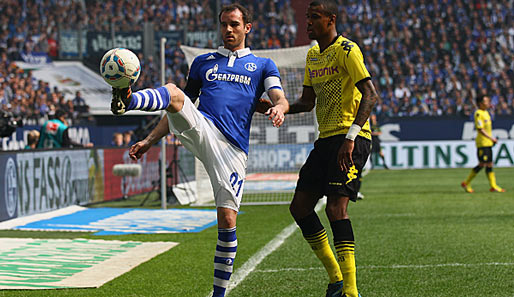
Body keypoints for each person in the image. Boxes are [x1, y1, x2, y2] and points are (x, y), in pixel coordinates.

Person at [109, 4, 289, 297]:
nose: (228, 30)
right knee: (174, 92)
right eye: (223, 25)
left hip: (233, 150)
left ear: (247, 28)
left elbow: (279, 96)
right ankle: (127, 101)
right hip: (203, 127)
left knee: (228, 220)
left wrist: (279, 107)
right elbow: (177, 105)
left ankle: (219, 294)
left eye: (233, 24)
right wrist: (150, 139)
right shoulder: (203, 63)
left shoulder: (263, 65)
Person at [259, 1, 377, 296]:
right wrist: (276, 108)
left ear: (331, 20)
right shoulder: (313, 55)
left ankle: (350, 291)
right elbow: (307, 102)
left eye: (314, 18)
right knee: (299, 207)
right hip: (326, 141)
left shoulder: (347, 50)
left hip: (352, 139)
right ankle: (336, 278)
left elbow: (371, 95)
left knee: (337, 209)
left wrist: (350, 137)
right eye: (307, 18)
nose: (308, 23)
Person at [461, 95, 505, 193]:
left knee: (489, 164)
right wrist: (491, 138)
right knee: (482, 164)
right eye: (486, 101)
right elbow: (480, 129)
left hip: (488, 143)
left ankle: (493, 186)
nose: (488, 102)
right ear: (480, 103)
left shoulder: (486, 113)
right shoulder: (478, 113)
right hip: (482, 143)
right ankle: (466, 182)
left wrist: (491, 140)